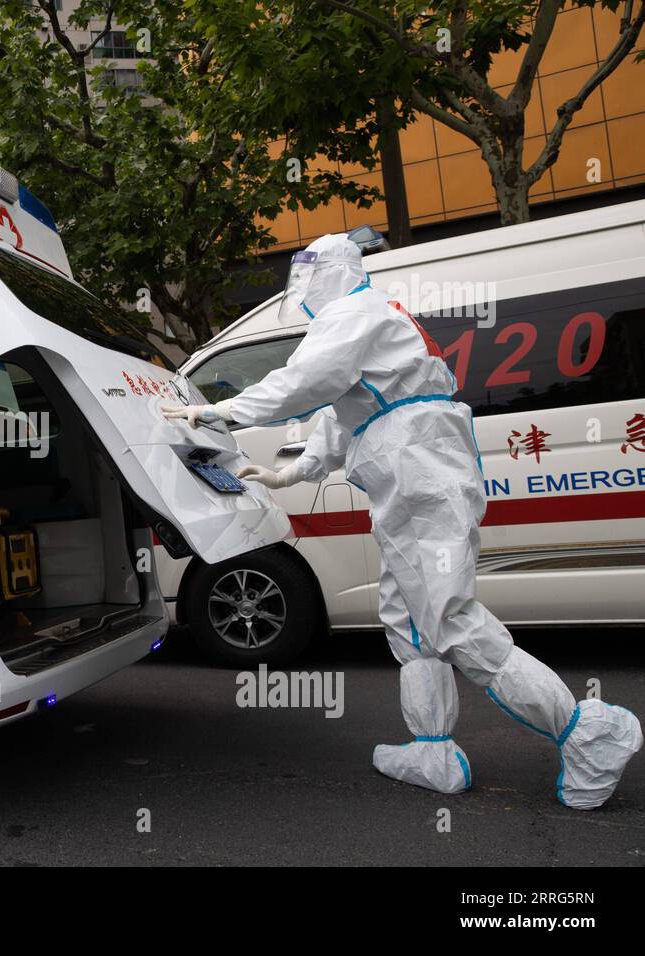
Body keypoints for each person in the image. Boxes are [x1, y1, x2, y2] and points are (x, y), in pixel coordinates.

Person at [161, 233, 641, 809]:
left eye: (304, 273)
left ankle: (587, 735)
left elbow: (307, 382)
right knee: (409, 620)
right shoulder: (371, 320)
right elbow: (344, 414)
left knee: (450, 620)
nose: (299, 287)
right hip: (409, 476)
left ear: (327, 273)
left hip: (419, 475)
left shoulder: (355, 313)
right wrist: (294, 474)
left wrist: (219, 409)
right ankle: (433, 751)